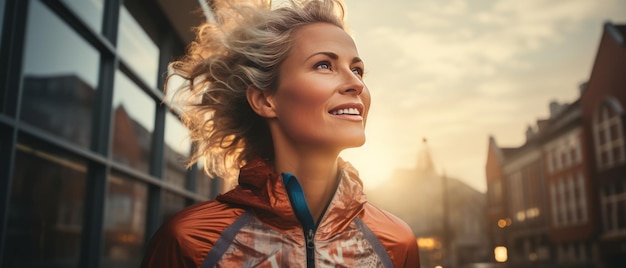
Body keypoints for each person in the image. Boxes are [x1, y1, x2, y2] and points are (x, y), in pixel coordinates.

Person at [141, 0, 420, 267]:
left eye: (357, 70)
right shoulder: (191, 242)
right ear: (265, 101)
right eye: (324, 65)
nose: (355, 84)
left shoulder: (396, 242)